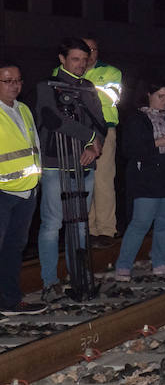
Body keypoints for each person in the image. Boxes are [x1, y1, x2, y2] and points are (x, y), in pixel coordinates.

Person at [35, 38, 106, 297]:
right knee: (53, 223)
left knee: (79, 223)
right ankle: (49, 280)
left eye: (84, 60)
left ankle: (80, 277)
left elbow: (101, 122)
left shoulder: (88, 88)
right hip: (55, 164)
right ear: (62, 59)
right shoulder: (47, 86)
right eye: (75, 59)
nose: (80, 65)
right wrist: (88, 136)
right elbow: (53, 119)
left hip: (84, 163)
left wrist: (93, 145)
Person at [113, 80, 165, 281]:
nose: (164, 101)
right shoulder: (136, 119)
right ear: (149, 95)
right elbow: (129, 150)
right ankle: (123, 265)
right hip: (146, 177)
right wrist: (155, 143)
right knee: (141, 222)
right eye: (160, 96)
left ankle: (160, 261)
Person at [0, 61, 47, 316]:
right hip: (2, 193)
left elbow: (33, 147)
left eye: (17, 80)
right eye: (7, 81)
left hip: (26, 191)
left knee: (13, 248)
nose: (14, 85)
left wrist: (36, 182)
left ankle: (9, 301)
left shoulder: (24, 109)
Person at [79, 36, 122, 248]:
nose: (88, 53)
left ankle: (106, 230)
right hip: (77, 132)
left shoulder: (111, 72)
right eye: (84, 49)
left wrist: (81, 89)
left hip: (104, 130)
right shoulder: (64, 70)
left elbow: (110, 98)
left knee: (103, 179)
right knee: (83, 180)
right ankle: (88, 229)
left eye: (92, 49)